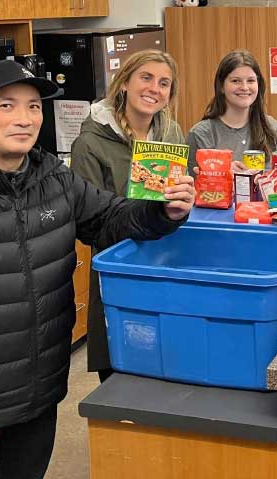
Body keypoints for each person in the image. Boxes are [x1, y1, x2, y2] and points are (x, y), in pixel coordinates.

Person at [0, 59, 195, 479]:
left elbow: (110, 219)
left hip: (37, 401)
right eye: (6, 106)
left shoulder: (55, 179)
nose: (24, 119)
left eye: (33, 107)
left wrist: (160, 211)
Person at [71, 49, 184, 383]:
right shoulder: (90, 144)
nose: (154, 88)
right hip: (119, 272)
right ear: (124, 83)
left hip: (166, 266)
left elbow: (179, 202)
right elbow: (88, 223)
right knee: (122, 374)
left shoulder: (172, 134)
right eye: (146, 78)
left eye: (164, 83)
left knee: (170, 371)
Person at [185, 49, 277, 181]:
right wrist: (223, 175)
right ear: (221, 87)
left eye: (251, 80)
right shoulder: (201, 134)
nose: (245, 87)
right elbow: (194, 188)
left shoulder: (271, 127)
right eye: (236, 81)